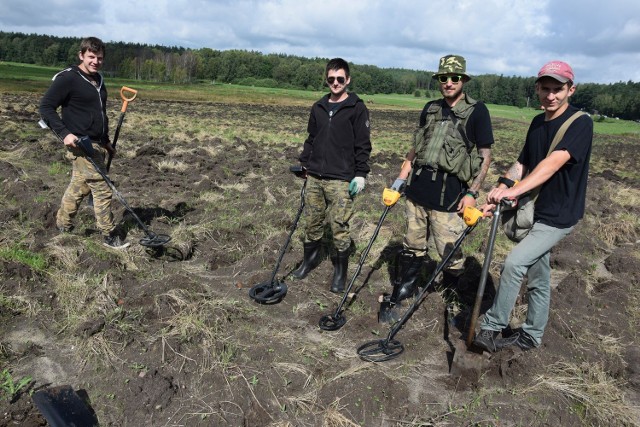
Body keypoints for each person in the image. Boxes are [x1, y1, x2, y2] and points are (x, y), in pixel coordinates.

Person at [473, 60, 593, 352]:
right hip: (534, 210)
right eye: (545, 89)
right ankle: (531, 335)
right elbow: (524, 161)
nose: (550, 96)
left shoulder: (580, 123)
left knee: (514, 263)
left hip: (558, 214)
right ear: (538, 88)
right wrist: (503, 186)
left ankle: (491, 326)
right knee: (539, 276)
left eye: (558, 89)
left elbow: (552, 164)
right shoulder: (538, 122)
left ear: (570, 90)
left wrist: (515, 192)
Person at [385, 55, 494, 309]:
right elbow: (415, 147)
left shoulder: (477, 111)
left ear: (463, 80)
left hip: (449, 197)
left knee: (450, 254)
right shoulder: (430, 108)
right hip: (416, 192)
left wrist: (472, 193)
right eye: (443, 78)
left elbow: (485, 156)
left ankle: (450, 295)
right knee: (412, 245)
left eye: (454, 78)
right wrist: (400, 180)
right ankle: (407, 287)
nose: (448, 82)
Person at [40, 36, 129, 249]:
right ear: (81, 55)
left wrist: (106, 142)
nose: (95, 61)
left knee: (79, 187)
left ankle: (62, 223)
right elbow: (46, 108)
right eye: (91, 57)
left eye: (99, 58)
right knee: (102, 187)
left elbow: (100, 114)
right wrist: (65, 134)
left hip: (96, 143)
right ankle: (109, 235)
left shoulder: (99, 80)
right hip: (79, 144)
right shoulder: (68, 78)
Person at [292, 58, 372, 293]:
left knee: (339, 225)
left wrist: (360, 174)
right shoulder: (318, 107)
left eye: (340, 79)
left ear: (348, 80)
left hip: (341, 179)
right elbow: (311, 138)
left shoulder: (357, 108)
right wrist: (304, 164)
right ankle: (309, 261)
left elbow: (363, 144)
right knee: (313, 222)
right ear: (326, 80)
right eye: (331, 79)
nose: (335, 83)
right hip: (315, 176)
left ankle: (340, 273)